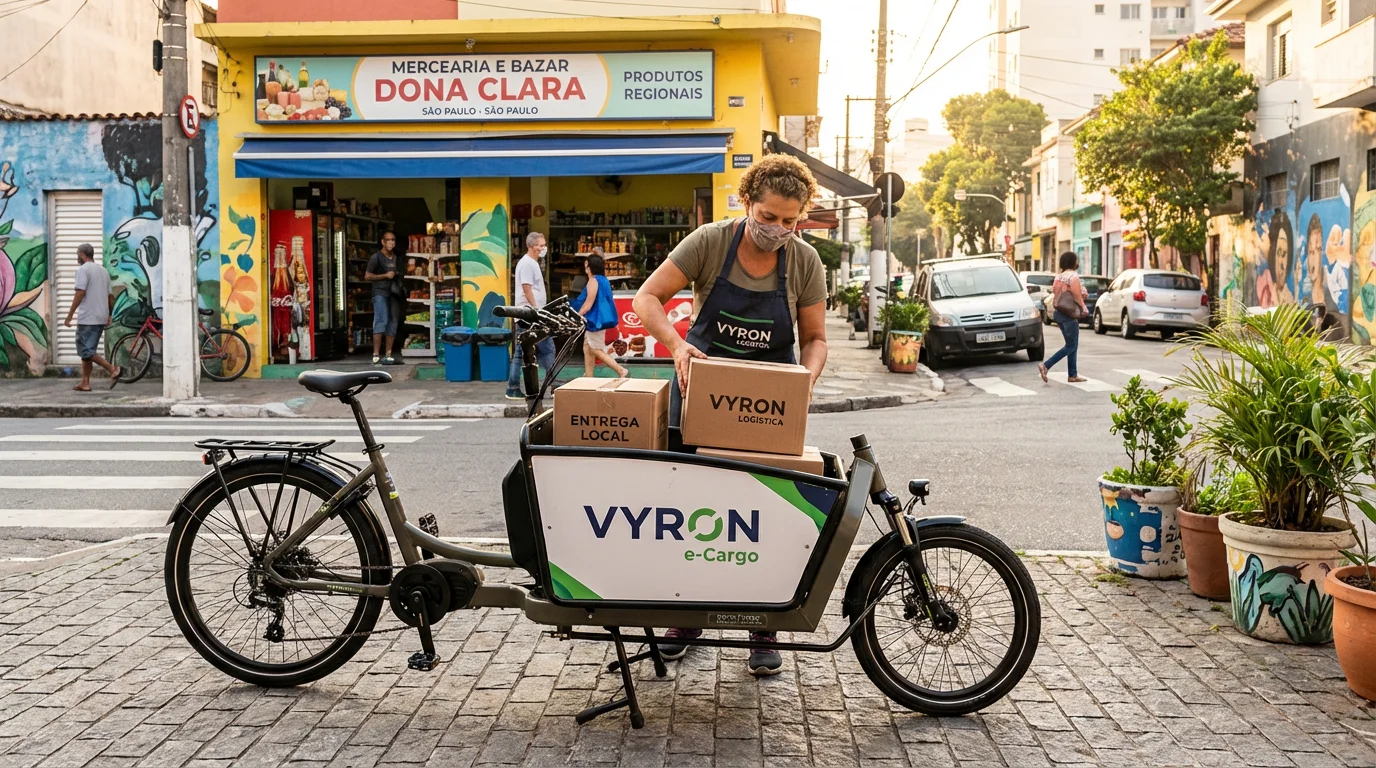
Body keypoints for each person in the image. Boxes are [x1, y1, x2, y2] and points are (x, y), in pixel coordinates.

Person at [632, 153, 829, 676]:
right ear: (747, 202)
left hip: (767, 409)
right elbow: (648, 298)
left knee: (765, 516)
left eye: (790, 221)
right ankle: (686, 617)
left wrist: (804, 382)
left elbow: (814, 340)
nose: (778, 230)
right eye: (768, 218)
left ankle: (763, 624)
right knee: (692, 514)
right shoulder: (710, 243)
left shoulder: (805, 261)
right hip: (700, 399)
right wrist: (675, 344)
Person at [505, 231, 557, 400]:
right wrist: (536, 310)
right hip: (530, 315)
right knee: (546, 349)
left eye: (543, 245)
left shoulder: (531, 263)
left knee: (525, 352)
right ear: (531, 246)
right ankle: (554, 384)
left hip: (529, 314)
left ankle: (513, 387)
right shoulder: (528, 264)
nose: (543, 248)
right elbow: (526, 288)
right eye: (540, 245)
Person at [63, 243, 120, 391]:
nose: (77, 257)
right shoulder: (104, 271)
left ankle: (112, 369)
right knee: (87, 352)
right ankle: (85, 383)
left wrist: (69, 315)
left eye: (78, 254)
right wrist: (109, 314)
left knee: (86, 350)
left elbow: (80, 293)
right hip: (100, 316)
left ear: (82, 254)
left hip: (88, 317)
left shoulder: (83, 270)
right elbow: (111, 297)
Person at [1038, 252, 1088, 384]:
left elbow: (1057, 294)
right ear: (1073, 262)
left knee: (1071, 344)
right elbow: (1077, 296)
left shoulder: (1058, 277)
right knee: (1071, 345)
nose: (1078, 262)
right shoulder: (1074, 277)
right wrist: (1084, 307)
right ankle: (1046, 365)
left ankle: (1072, 375)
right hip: (1069, 314)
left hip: (1058, 313)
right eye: (1077, 260)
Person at [576, 254, 629, 378]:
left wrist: (577, 315)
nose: (585, 266)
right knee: (587, 346)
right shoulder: (603, 280)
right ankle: (588, 375)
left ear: (590, 267)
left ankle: (621, 370)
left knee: (596, 349)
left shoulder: (593, 281)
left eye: (586, 264)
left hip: (595, 320)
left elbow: (589, 303)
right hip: (601, 319)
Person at [365, 231, 404, 365]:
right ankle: (376, 354)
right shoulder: (376, 258)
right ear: (383, 242)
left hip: (394, 292)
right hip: (380, 292)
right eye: (388, 240)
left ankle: (388, 353)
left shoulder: (397, 258)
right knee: (381, 319)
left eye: (393, 240)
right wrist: (385, 276)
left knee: (393, 321)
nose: (391, 242)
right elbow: (367, 276)